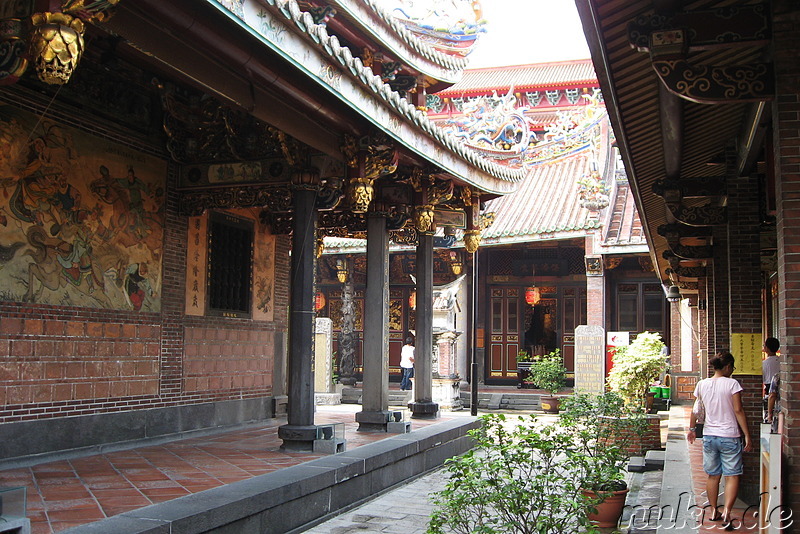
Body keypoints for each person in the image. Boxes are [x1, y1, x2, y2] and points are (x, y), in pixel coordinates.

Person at [687, 352, 752, 529]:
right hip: (729, 435)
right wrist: (746, 434)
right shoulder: (732, 384)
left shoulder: (702, 384)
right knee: (732, 475)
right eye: (732, 367)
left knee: (713, 475)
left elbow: (696, 409)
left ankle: (714, 510)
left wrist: (692, 429)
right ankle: (727, 513)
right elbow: (738, 410)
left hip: (709, 435)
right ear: (728, 367)